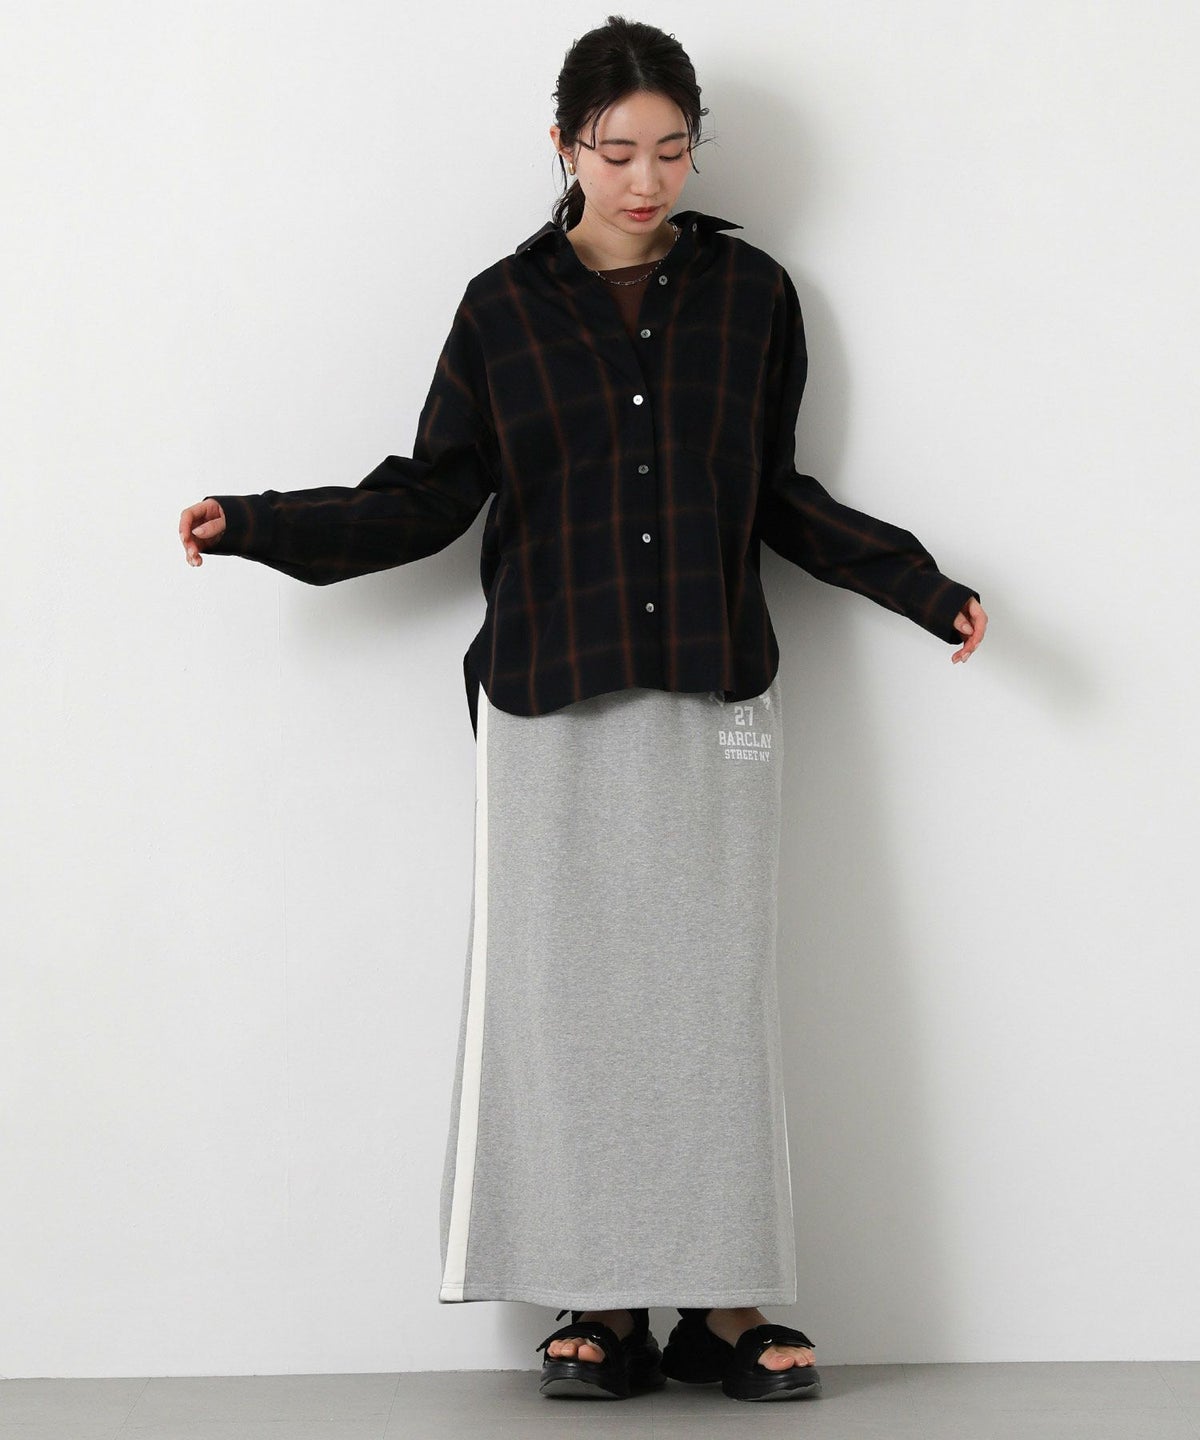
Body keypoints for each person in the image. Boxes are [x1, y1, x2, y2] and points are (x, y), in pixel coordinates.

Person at [179, 15, 987, 1406]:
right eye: (616, 151)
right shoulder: (502, 307)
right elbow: (427, 497)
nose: (645, 179)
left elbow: (775, 491)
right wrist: (257, 522)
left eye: (671, 149)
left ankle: (725, 1308)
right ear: (563, 147)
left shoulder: (753, 295)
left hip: (712, 687)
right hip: (547, 693)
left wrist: (919, 586)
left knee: (713, 1009)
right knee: (567, 1013)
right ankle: (599, 1305)